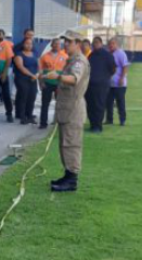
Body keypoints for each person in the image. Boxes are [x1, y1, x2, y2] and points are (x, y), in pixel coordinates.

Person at [45, 34, 89, 192]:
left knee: (71, 144)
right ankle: (68, 174)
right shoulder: (71, 60)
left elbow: (74, 78)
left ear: (78, 43)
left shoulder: (79, 61)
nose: (65, 45)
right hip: (67, 108)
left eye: (69, 42)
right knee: (65, 144)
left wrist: (58, 76)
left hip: (73, 110)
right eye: (65, 42)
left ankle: (72, 180)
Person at [86, 37, 116, 133]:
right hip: (90, 84)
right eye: (93, 43)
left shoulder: (107, 55)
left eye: (97, 43)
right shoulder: (91, 55)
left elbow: (113, 69)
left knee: (99, 105)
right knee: (90, 105)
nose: (95, 45)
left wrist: (105, 77)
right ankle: (92, 124)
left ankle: (98, 126)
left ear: (101, 44)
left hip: (101, 84)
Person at [39, 38, 68, 129]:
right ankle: (43, 123)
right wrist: (41, 82)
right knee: (45, 103)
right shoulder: (44, 56)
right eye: (55, 44)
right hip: (47, 82)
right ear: (51, 45)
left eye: (58, 44)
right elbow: (40, 71)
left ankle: (59, 122)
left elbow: (66, 71)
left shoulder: (65, 56)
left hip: (59, 83)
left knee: (60, 103)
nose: (57, 45)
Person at [13, 39, 39, 125]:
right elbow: (21, 67)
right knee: (23, 97)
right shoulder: (19, 55)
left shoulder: (34, 54)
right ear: (23, 44)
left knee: (32, 97)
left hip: (33, 79)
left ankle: (30, 115)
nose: (29, 45)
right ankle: (22, 116)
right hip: (22, 78)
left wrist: (37, 75)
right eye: (27, 43)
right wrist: (32, 75)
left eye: (30, 44)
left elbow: (38, 65)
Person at [107, 38, 129, 126]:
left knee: (120, 102)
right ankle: (109, 120)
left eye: (113, 43)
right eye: (109, 44)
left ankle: (122, 120)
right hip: (109, 84)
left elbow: (125, 66)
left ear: (116, 44)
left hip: (119, 84)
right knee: (108, 102)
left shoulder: (121, 53)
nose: (111, 45)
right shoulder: (108, 54)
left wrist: (121, 78)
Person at [0, 29, 15, 123]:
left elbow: (9, 59)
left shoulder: (6, 44)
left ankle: (9, 113)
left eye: (0, 34)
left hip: (3, 73)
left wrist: (4, 72)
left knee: (6, 94)